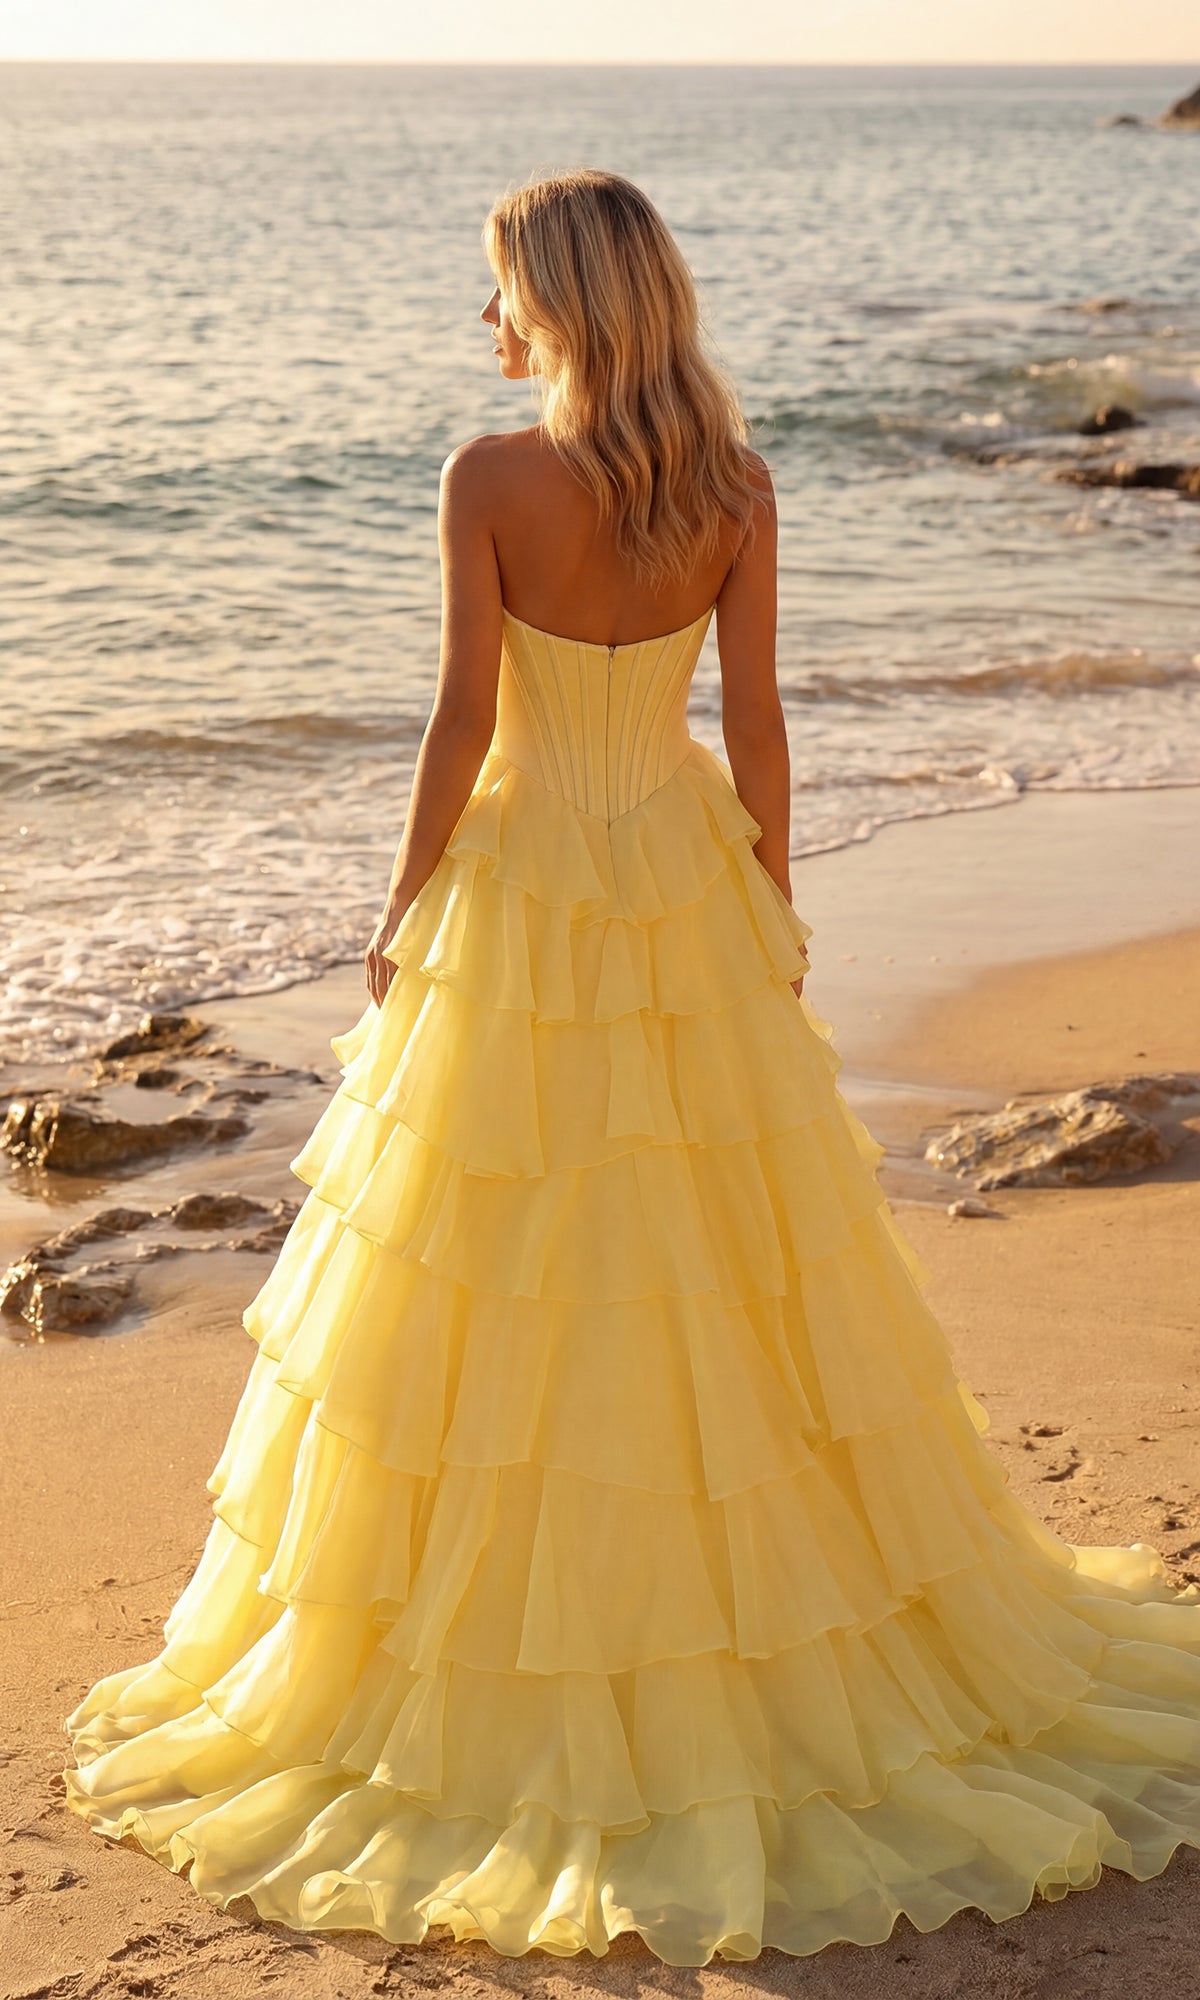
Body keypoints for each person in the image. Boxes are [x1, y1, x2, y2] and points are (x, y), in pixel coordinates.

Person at [62, 168, 1200, 1968]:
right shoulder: (734, 484)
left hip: (522, 890)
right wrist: (770, 901)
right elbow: (754, 725)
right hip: (677, 876)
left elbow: (460, 718)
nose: (483, 321)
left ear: (567, 301)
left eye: (500, 289)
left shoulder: (489, 478)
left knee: (489, 1258)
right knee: (721, 1258)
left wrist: (400, 907)